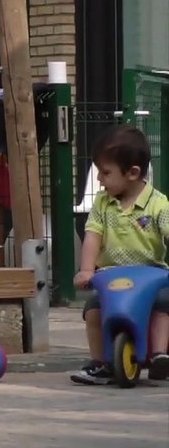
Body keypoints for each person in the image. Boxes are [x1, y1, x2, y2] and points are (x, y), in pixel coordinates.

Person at [70, 124, 169, 385]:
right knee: (93, 309)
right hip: (111, 276)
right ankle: (100, 362)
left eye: (105, 173)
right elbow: (92, 236)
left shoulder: (158, 204)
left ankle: (159, 354)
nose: (100, 179)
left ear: (133, 173)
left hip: (152, 274)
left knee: (163, 303)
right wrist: (87, 269)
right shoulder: (103, 203)